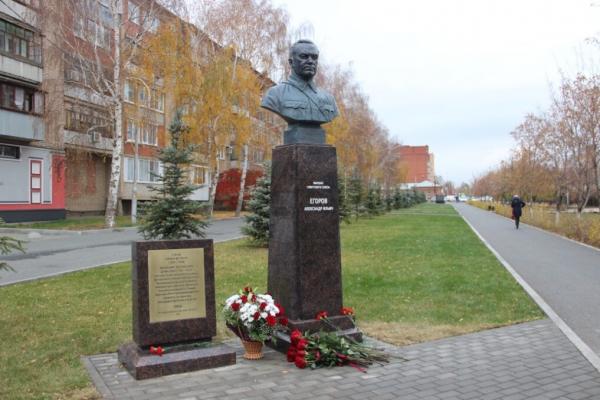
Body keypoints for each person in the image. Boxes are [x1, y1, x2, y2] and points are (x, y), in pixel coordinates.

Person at [261, 40, 339, 144]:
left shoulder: (329, 99)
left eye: (314, 57)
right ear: (291, 62)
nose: (310, 61)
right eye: (304, 56)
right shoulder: (275, 94)